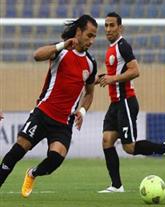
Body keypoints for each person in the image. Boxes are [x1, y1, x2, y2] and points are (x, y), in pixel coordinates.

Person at [0, 14, 98, 197]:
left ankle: (32, 173)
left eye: (94, 37)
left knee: (55, 160)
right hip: (43, 113)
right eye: (89, 35)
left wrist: (83, 111)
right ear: (78, 32)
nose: (92, 40)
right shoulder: (61, 51)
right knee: (17, 151)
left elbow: (90, 93)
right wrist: (62, 44)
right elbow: (37, 55)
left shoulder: (91, 64)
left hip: (63, 122)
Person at [96, 12, 165, 193]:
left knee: (129, 148)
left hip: (126, 101)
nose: (108, 29)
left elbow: (135, 70)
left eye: (112, 25)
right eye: (106, 26)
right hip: (115, 103)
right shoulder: (111, 48)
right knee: (107, 140)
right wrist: (100, 79)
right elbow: (115, 73)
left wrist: (112, 79)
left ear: (120, 28)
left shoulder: (123, 46)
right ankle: (117, 186)